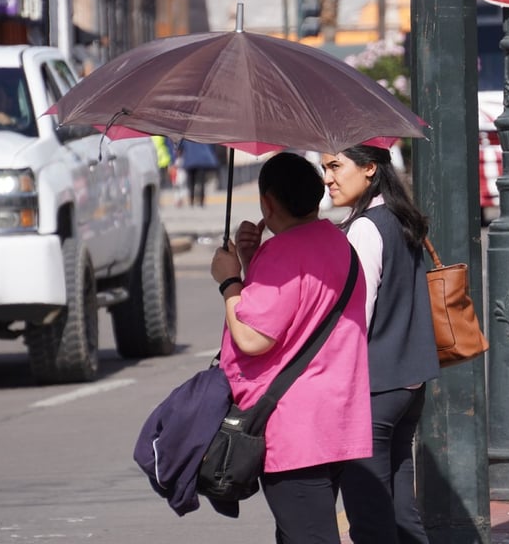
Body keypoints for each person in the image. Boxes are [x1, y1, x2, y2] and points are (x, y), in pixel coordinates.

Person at [210, 152, 372, 543]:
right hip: (335, 416)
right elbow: (296, 312)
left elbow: (252, 337)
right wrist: (252, 261)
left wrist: (229, 281)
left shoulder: (284, 252)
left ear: (267, 203)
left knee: (309, 535)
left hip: (294, 426)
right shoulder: (337, 243)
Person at [321, 143, 440, 543]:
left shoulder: (366, 228)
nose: (328, 178)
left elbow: (357, 317)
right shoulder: (400, 218)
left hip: (374, 388)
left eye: (336, 166)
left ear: (369, 168)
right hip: (409, 383)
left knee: (370, 518)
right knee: (402, 513)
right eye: (324, 168)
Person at [179, 139, 219, 207]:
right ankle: (201, 202)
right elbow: (212, 147)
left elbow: (180, 147)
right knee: (201, 182)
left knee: (191, 182)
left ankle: (191, 201)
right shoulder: (204, 135)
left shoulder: (186, 136)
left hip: (190, 159)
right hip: (202, 160)